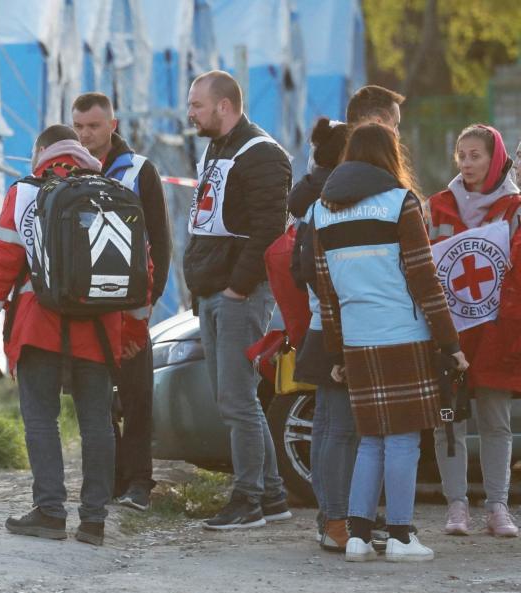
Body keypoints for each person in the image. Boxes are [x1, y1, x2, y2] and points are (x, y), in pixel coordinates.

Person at [0, 125, 149, 546]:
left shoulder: (26, 193)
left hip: (39, 324)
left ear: (40, 154)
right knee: (98, 423)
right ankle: (94, 520)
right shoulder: (112, 192)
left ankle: (50, 512)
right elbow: (143, 270)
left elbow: (1, 266)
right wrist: (133, 330)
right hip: (101, 327)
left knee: (41, 420)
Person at [313, 123, 468, 562]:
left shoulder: (322, 211)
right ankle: (400, 536)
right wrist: (450, 341)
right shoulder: (399, 203)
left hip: (358, 339)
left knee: (370, 439)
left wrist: (337, 352)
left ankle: (358, 536)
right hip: (403, 335)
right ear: (389, 156)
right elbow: (423, 276)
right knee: (402, 442)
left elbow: (326, 292)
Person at [182, 70, 292, 530]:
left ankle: (247, 499)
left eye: (197, 106)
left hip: (237, 294)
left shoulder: (262, 153)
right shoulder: (217, 147)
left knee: (238, 401)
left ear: (224, 106)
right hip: (215, 290)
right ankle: (271, 496)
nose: (190, 114)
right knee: (232, 398)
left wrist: (238, 287)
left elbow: (269, 228)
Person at [71, 92, 171, 511]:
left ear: (112, 125)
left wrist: (149, 302)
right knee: (94, 396)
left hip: (129, 303)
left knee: (135, 395)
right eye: (78, 127)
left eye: (93, 126)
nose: (85, 135)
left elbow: (160, 241)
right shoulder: (68, 170)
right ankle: (107, 478)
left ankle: (139, 481)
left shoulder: (139, 171)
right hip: (84, 305)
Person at [427, 124, 520, 537]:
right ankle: (456, 506)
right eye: (461, 155)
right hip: (451, 334)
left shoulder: (515, 208)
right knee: (448, 421)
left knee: (496, 421)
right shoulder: (438, 206)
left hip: (497, 333)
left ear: (494, 158)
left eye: (475, 155)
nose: (466, 163)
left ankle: (498, 506)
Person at [288, 117, 354, 551]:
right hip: (339, 327)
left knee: (328, 427)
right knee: (341, 430)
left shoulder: (311, 200)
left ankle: (330, 516)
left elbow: (299, 270)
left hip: (319, 325)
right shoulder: (336, 201)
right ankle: (336, 520)